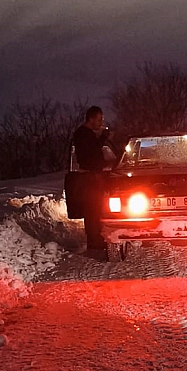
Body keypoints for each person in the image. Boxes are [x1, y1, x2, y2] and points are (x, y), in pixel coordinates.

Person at [71, 106, 111, 260]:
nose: (101, 123)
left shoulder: (86, 134)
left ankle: (96, 238)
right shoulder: (83, 134)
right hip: (89, 177)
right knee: (92, 208)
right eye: (99, 119)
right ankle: (94, 241)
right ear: (91, 118)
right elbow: (92, 154)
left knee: (95, 207)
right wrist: (102, 138)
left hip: (93, 175)